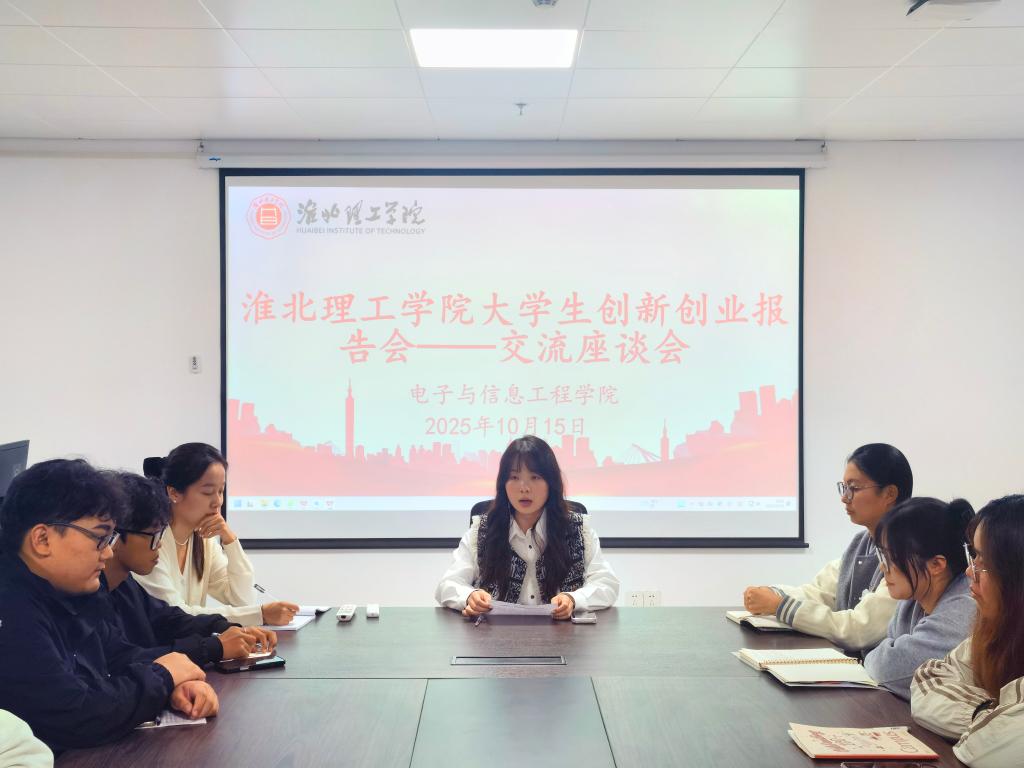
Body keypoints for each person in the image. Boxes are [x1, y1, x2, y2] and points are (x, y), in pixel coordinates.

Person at [0, 459, 217, 752]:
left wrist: (175, 685)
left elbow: (117, 657)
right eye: (100, 538)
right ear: (42, 539)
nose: (109, 552)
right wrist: (164, 676)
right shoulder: (10, 609)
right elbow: (75, 713)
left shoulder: (67, 593)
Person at [742, 443, 911, 650]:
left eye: (854, 488)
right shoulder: (862, 542)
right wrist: (772, 594)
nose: (844, 498)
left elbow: (858, 630)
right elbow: (820, 593)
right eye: (844, 487)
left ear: (889, 494)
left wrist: (779, 605)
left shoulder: (911, 552)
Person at [101, 472, 277, 665]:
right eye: (154, 535)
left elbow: (167, 618)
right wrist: (214, 647)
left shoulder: (125, 584)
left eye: (221, 491)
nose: (159, 544)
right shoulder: (91, 597)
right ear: (114, 536)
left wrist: (224, 627)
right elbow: (127, 658)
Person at [436, 435, 619, 618]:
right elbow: (448, 584)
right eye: (514, 477)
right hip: (496, 634)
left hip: (562, 634)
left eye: (535, 477)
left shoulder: (577, 530)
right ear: (503, 484)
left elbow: (606, 584)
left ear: (551, 483)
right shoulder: (482, 531)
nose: (524, 488)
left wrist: (574, 599)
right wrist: (470, 596)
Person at [912, 495, 1024, 768]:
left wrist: (988, 724)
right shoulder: (995, 630)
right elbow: (929, 677)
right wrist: (984, 713)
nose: (970, 572)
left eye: (982, 561)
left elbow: (990, 746)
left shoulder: (962, 605)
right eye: (972, 556)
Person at [135, 443, 298, 626]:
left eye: (221, 491)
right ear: (174, 493)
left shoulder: (203, 540)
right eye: (208, 492)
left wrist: (231, 541)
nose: (218, 501)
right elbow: (177, 615)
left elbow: (243, 600)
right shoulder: (150, 543)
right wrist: (259, 614)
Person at [862, 497, 976, 699]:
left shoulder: (965, 607)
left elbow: (886, 670)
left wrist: (884, 655)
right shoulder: (914, 597)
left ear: (936, 565)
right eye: (882, 556)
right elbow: (890, 658)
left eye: (891, 557)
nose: (882, 567)